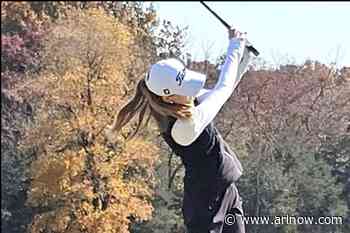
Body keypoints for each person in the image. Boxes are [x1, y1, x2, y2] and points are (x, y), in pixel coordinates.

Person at [105, 27, 254, 233]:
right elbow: (222, 90)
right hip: (205, 207)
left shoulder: (183, 103)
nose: (191, 91)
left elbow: (222, 91)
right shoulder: (184, 127)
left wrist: (245, 57)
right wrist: (235, 46)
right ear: (168, 97)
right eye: (185, 87)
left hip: (226, 191)